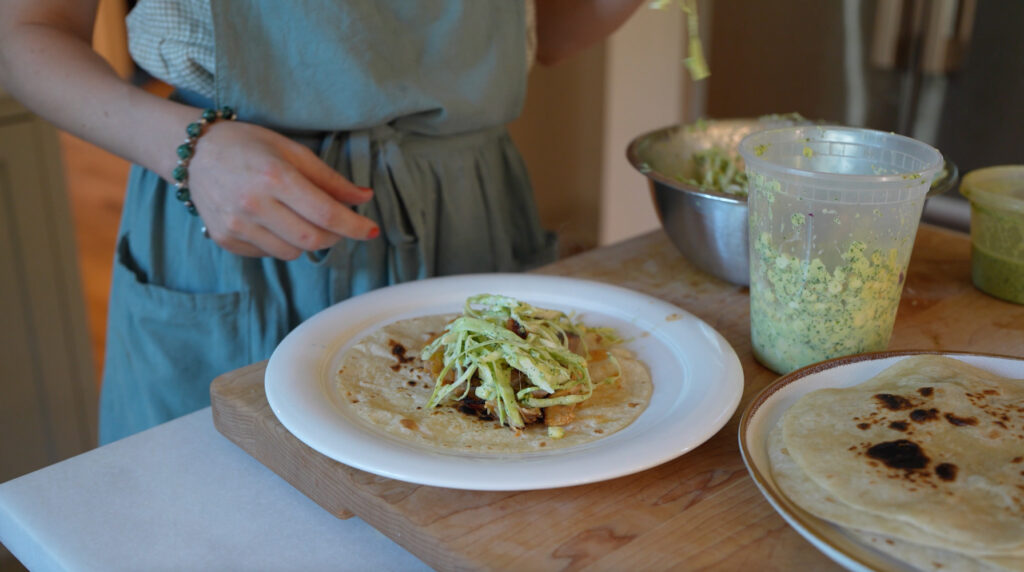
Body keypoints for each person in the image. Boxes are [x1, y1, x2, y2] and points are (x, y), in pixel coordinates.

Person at [0, 0, 645, 444]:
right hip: (235, 228)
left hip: (473, 225)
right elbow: (26, 31)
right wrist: (192, 151)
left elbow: (549, 30)